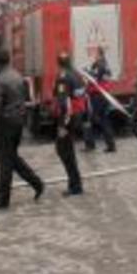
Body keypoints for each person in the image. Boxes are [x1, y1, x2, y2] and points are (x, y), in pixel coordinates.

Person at [0, 49, 44, 211]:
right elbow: (24, 100)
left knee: (5, 162)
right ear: (9, 60)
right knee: (12, 158)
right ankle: (37, 183)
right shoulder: (17, 76)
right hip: (18, 123)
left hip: (5, 124)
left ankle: (2, 199)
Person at [53, 52, 84, 196]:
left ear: (58, 63)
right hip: (77, 116)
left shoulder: (63, 77)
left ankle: (75, 185)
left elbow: (63, 102)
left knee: (63, 150)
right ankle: (74, 183)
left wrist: (62, 125)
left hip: (68, 118)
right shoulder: (77, 74)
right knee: (67, 150)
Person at [84, 46, 116, 153]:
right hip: (102, 95)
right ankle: (110, 144)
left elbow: (94, 79)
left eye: (95, 53)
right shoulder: (105, 64)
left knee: (91, 119)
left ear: (100, 54)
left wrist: (86, 73)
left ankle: (91, 144)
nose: (94, 55)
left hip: (98, 96)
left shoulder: (99, 65)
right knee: (103, 120)